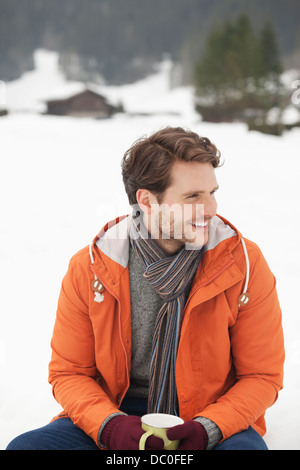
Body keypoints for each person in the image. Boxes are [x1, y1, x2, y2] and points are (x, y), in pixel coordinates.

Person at [6, 127, 284, 450]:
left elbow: (261, 377)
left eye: (212, 192)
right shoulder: (92, 267)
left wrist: (207, 429)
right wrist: (110, 427)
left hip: (207, 417)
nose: (211, 208)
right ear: (147, 201)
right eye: (193, 196)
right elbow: (69, 373)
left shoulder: (242, 265)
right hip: (114, 414)